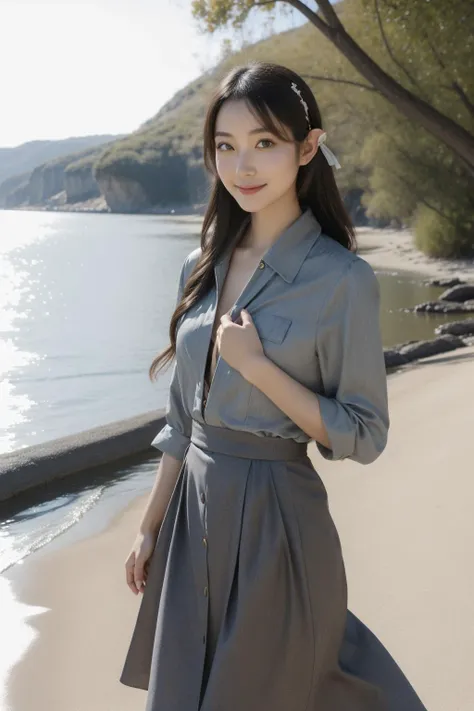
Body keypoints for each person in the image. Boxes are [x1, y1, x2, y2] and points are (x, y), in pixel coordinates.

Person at [120, 61, 427, 711]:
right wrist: (149, 526)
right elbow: (184, 418)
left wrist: (259, 368)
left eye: (264, 143)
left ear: (307, 147)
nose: (243, 166)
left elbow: (364, 434)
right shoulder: (198, 266)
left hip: (278, 526)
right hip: (191, 517)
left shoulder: (343, 281)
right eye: (225, 147)